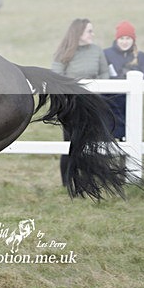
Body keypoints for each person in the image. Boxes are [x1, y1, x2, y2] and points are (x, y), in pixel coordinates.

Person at [50, 18, 108, 186]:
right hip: (72, 106)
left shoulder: (97, 51)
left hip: (93, 104)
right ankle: (67, 182)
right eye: (89, 31)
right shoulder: (64, 52)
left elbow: (105, 74)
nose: (93, 34)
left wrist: (97, 91)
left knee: (92, 143)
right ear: (79, 33)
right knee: (70, 143)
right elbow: (56, 77)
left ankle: (90, 180)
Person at [103, 21, 144, 140]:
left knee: (132, 128)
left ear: (133, 40)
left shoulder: (140, 56)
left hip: (133, 99)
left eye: (128, 38)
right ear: (117, 39)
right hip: (111, 99)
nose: (125, 42)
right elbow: (102, 75)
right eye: (122, 38)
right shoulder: (106, 53)